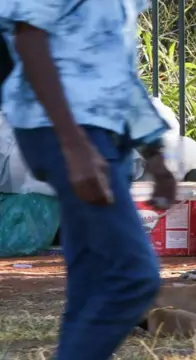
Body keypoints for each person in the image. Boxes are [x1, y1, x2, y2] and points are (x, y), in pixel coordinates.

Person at [0, 1, 177, 358]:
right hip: (68, 132)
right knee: (133, 276)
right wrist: (73, 144)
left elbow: (119, 74)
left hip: (99, 136)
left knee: (92, 282)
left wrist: (155, 155)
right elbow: (29, 39)